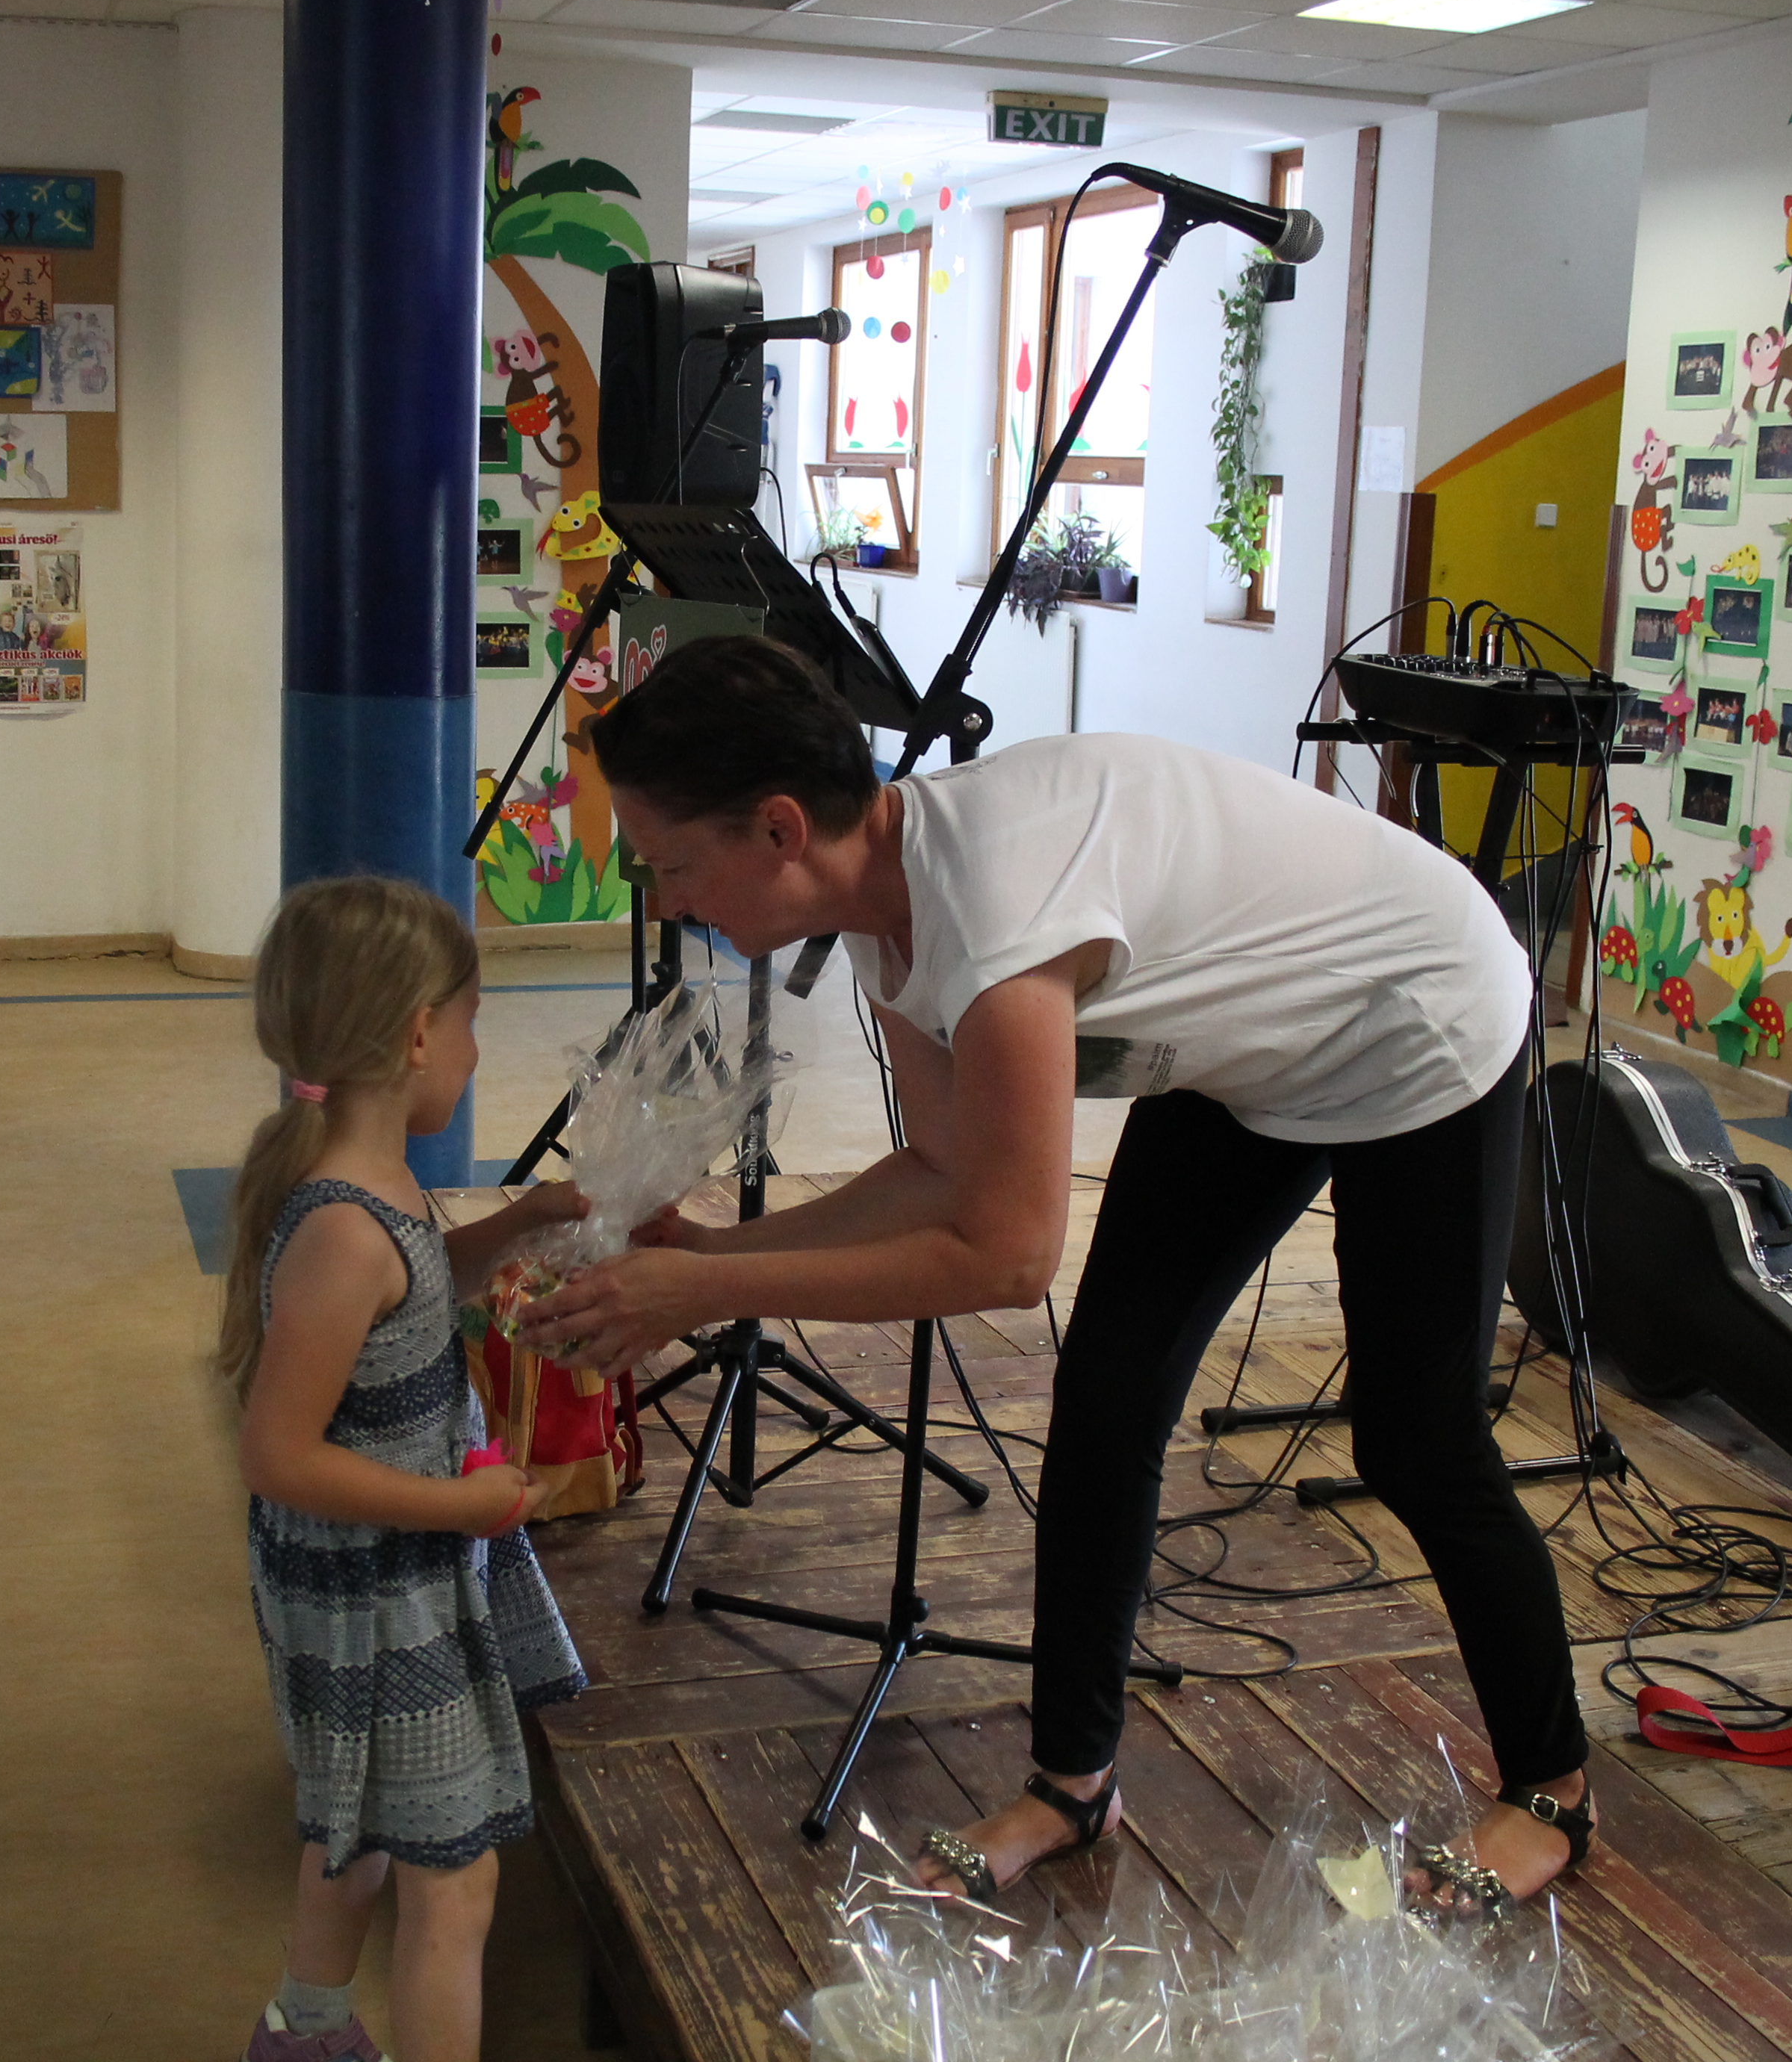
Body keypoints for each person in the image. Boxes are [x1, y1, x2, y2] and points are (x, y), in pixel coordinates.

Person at [524, 635, 1593, 1917]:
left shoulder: (997, 908)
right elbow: (940, 1172)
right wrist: (711, 1256)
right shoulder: (888, 911)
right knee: (1109, 1394)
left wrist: (710, 1295)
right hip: (1256, 1047)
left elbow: (1006, 1255)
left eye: (671, 865)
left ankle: (1553, 1790)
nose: (666, 901)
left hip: (1417, 1013)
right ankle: (1075, 1783)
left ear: (780, 829)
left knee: (1416, 1444)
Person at [222, 876, 593, 2062]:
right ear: (420, 1033)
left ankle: (305, 2031)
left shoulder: (374, 1193)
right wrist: (458, 1504)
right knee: (457, 1881)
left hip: (391, 1581)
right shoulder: (342, 1227)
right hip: (373, 1598)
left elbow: (419, 1286)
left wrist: (521, 1224)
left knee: (359, 1828)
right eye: (474, 1020)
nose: (477, 1050)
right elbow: (277, 1454)